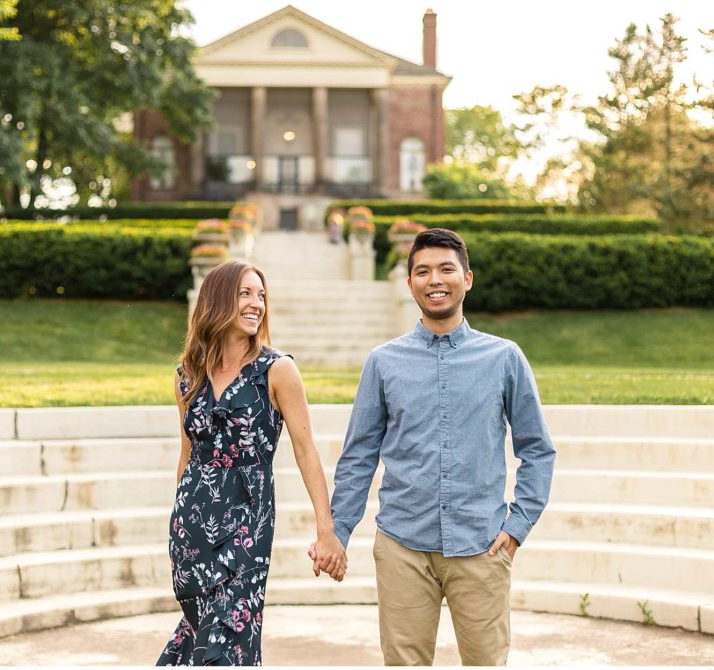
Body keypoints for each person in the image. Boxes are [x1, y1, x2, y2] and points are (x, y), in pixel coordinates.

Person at [320, 228, 556, 666]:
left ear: (467, 278)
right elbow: (358, 456)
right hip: (402, 546)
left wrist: (517, 527)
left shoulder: (505, 358)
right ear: (410, 284)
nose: (435, 279)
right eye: (423, 271)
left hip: (483, 545)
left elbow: (537, 448)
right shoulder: (383, 362)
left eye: (446, 269)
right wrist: (338, 531)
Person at [158, 259, 347, 666]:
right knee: (199, 628)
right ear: (218, 299)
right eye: (245, 293)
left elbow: (305, 450)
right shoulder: (186, 376)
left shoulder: (277, 370)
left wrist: (326, 529)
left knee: (231, 631)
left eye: (261, 295)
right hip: (191, 525)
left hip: (247, 521)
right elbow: (187, 452)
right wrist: (177, 518)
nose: (257, 304)